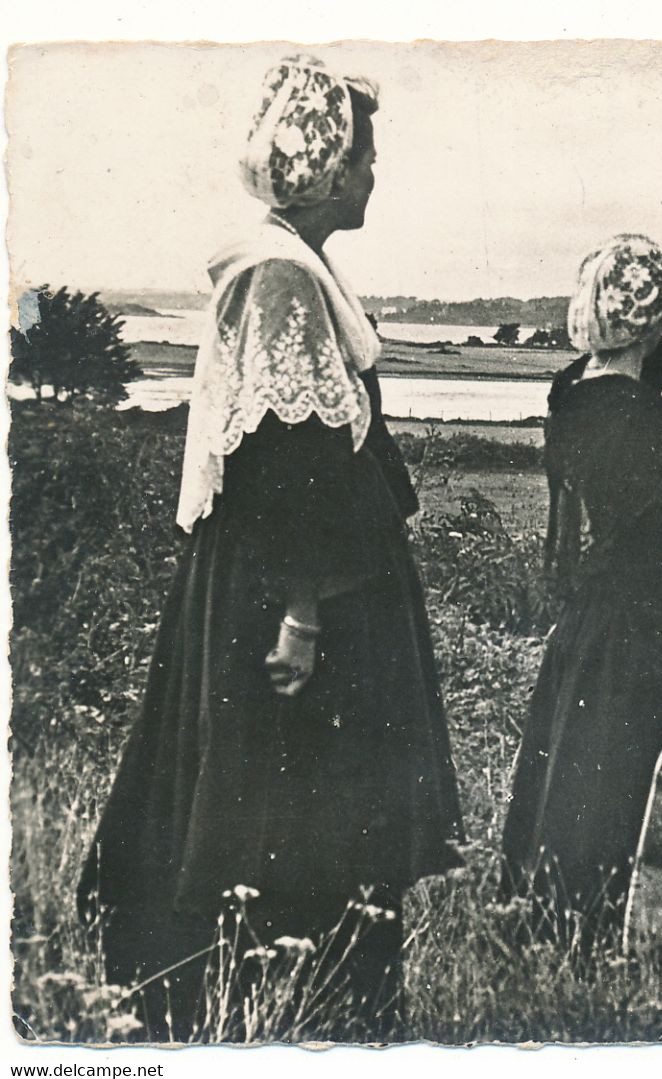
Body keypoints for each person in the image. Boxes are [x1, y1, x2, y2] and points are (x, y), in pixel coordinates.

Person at [77, 55, 463, 1041]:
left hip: (296, 581)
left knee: (286, 807)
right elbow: (285, 460)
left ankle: (290, 1002)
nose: (372, 175)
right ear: (323, 166)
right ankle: (290, 1011)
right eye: (362, 157)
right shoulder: (283, 275)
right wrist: (300, 612)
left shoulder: (293, 264)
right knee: (292, 804)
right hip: (296, 597)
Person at [501, 236, 662, 957]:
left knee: (573, 771)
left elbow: (611, 384)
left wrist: (631, 337)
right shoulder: (649, 422)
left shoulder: (571, 399)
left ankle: (549, 926)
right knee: (635, 777)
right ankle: (626, 934)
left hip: (588, 621)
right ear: (651, 324)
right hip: (646, 628)